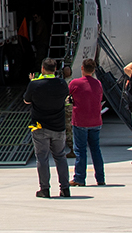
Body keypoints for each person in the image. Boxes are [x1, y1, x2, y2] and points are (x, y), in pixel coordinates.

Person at [23, 59, 71, 198]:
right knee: (60, 156)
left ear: (42, 69)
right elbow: (65, 98)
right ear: (55, 69)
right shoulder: (62, 84)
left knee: (42, 158)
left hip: (40, 127)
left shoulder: (35, 84)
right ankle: (65, 188)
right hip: (59, 127)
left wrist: (33, 81)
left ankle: (45, 189)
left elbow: (27, 100)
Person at [69, 58, 107, 187]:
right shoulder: (98, 84)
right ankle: (100, 178)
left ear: (82, 68)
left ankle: (79, 178)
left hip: (80, 120)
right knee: (96, 150)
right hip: (95, 120)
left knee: (80, 150)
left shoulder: (76, 83)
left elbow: (67, 95)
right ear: (94, 70)